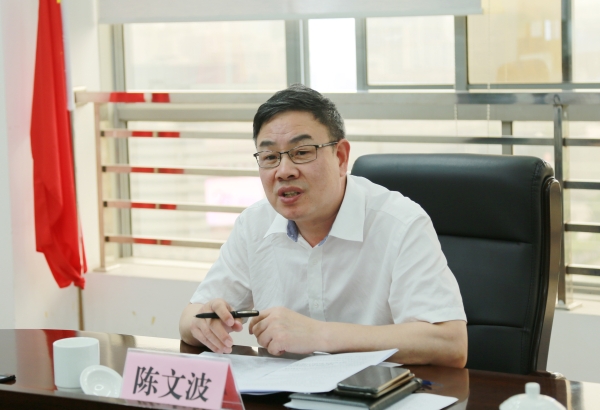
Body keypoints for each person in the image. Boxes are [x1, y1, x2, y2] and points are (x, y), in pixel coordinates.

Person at [179, 84, 468, 367]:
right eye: (270, 157)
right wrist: (203, 323)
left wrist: (319, 335)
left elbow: (450, 344)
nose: (284, 171)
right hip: (283, 390)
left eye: (302, 152)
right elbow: (189, 319)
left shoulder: (400, 223)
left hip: (376, 391)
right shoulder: (254, 224)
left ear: (340, 157)